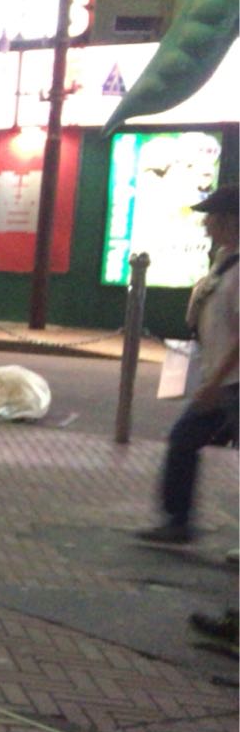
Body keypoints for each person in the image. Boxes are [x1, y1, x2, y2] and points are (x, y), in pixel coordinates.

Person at [137, 184, 239, 545]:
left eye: (210, 217)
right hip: (221, 382)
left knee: (184, 439)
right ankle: (177, 521)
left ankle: (177, 521)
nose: (205, 224)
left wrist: (215, 383)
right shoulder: (224, 260)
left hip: (232, 384)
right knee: (183, 440)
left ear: (230, 221)